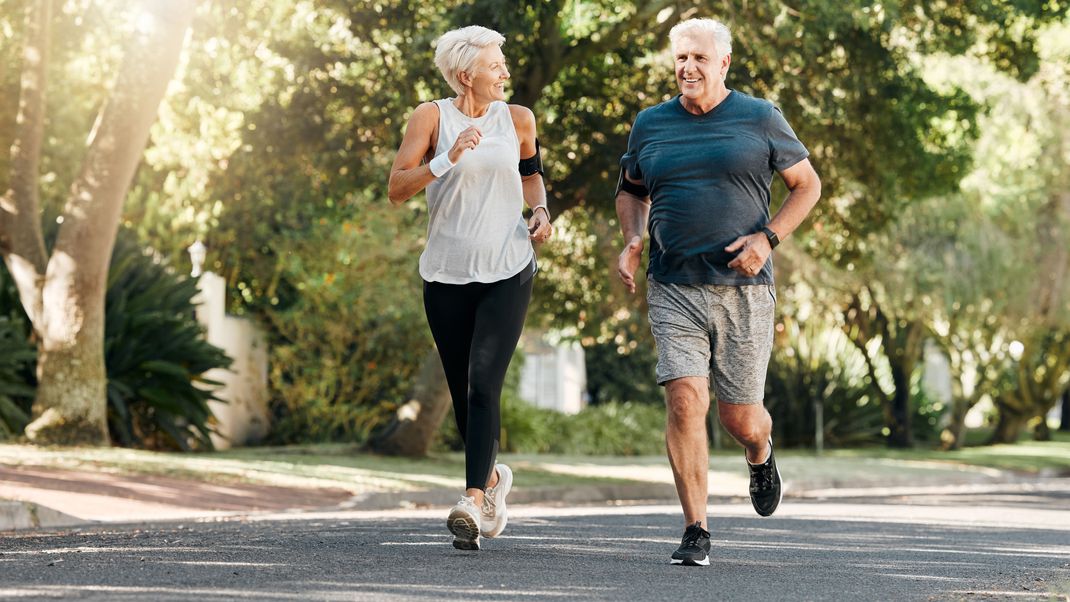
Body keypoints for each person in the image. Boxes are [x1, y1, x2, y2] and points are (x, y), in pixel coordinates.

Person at [615, 17, 821, 566]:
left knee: (739, 418)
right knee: (685, 400)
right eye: (681, 57)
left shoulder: (760, 117)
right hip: (673, 283)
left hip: (743, 287)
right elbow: (631, 191)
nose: (688, 67)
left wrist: (769, 238)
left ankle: (760, 451)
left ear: (723, 64)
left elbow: (808, 186)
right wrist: (634, 238)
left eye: (700, 58)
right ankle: (696, 529)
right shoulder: (650, 124)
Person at [387, 25, 552, 551]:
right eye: (495, 65)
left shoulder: (518, 118)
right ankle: (495, 483)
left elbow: (531, 174)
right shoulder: (430, 117)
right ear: (466, 75)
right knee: (463, 392)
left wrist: (541, 210)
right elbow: (396, 188)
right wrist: (447, 157)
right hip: (446, 274)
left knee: (484, 380)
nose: (505, 71)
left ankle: (472, 500)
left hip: (508, 268)